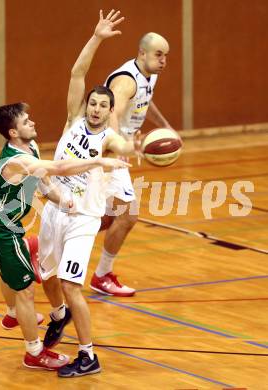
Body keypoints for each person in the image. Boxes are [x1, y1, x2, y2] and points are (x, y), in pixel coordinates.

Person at [0, 102, 129, 371]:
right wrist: (98, 160)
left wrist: (62, 200)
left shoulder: (30, 149)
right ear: (13, 133)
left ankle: (13, 313)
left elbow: (45, 183)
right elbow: (58, 168)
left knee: (13, 273)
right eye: (26, 121)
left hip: (11, 228)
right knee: (25, 290)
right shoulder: (17, 160)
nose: (32, 123)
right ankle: (33, 353)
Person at [38, 10, 141, 377]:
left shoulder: (108, 138)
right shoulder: (73, 120)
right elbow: (77, 73)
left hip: (82, 218)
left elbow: (124, 147)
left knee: (70, 284)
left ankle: (88, 355)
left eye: (103, 105)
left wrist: (136, 147)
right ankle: (58, 316)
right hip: (53, 210)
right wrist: (97, 37)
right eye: (93, 103)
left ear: (111, 110)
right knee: (46, 276)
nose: (97, 108)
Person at [90, 31, 172, 297]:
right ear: (142, 53)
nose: (163, 61)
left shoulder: (148, 77)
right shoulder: (126, 80)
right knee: (128, 216)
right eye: (159, 55)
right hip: (108, 151)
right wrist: (117, 148)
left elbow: (144, 104)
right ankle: (102, 275)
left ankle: (43, 252)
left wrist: (166, 127)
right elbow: (112, 113)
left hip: (113, 149)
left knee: (103, 217)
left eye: (166, 56)